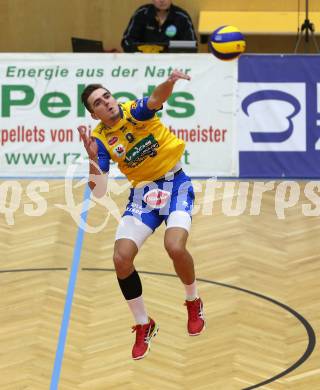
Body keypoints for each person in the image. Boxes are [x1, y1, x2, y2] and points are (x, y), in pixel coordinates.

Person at [78, 69, 205, 360]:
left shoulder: (133, 111)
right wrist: (91, 159)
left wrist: (170, 82)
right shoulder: (99, 140)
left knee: (174, 246)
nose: (107, 102)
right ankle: (143, 323)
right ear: (94, 114)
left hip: (176, 185)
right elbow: (97, 191)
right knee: (121, 259)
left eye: (107, 96)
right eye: (98, 102)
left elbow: (156, 98)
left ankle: (192, 300)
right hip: (143, 195)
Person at [121, 0, 197, 52]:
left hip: (174, 63)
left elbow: (193, 45)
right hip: (144, 61)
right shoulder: (141, 14)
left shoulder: (182, 17)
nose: (162, 0)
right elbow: (127, 41)